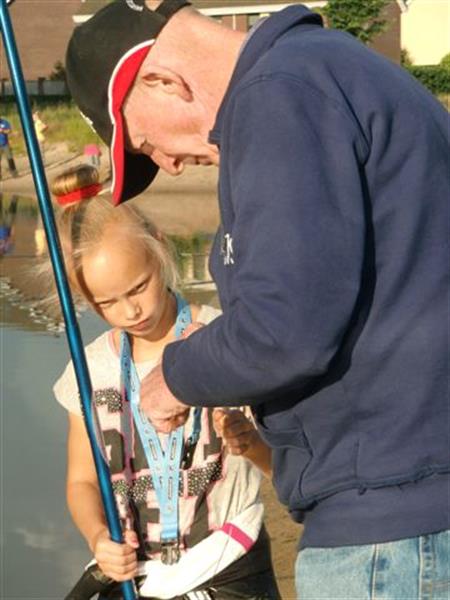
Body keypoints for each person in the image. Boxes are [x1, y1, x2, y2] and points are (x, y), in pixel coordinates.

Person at [65, 2, 450, 598]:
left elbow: (284, 329)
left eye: (144, 141)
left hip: (388, 527)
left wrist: (175, 376)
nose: (168, 164)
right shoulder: (328, 69)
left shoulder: (279, 97)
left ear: (164, 80)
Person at [50, 164, 279, 600]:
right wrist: (98, 537)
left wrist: (250, 443)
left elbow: (283, 467)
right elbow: (81, 482)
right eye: (107, 303)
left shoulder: (224, 339)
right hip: (137, 578)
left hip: (228, 568)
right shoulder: (87, 370)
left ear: (158, 247)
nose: (130, 311)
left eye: (139, 287)